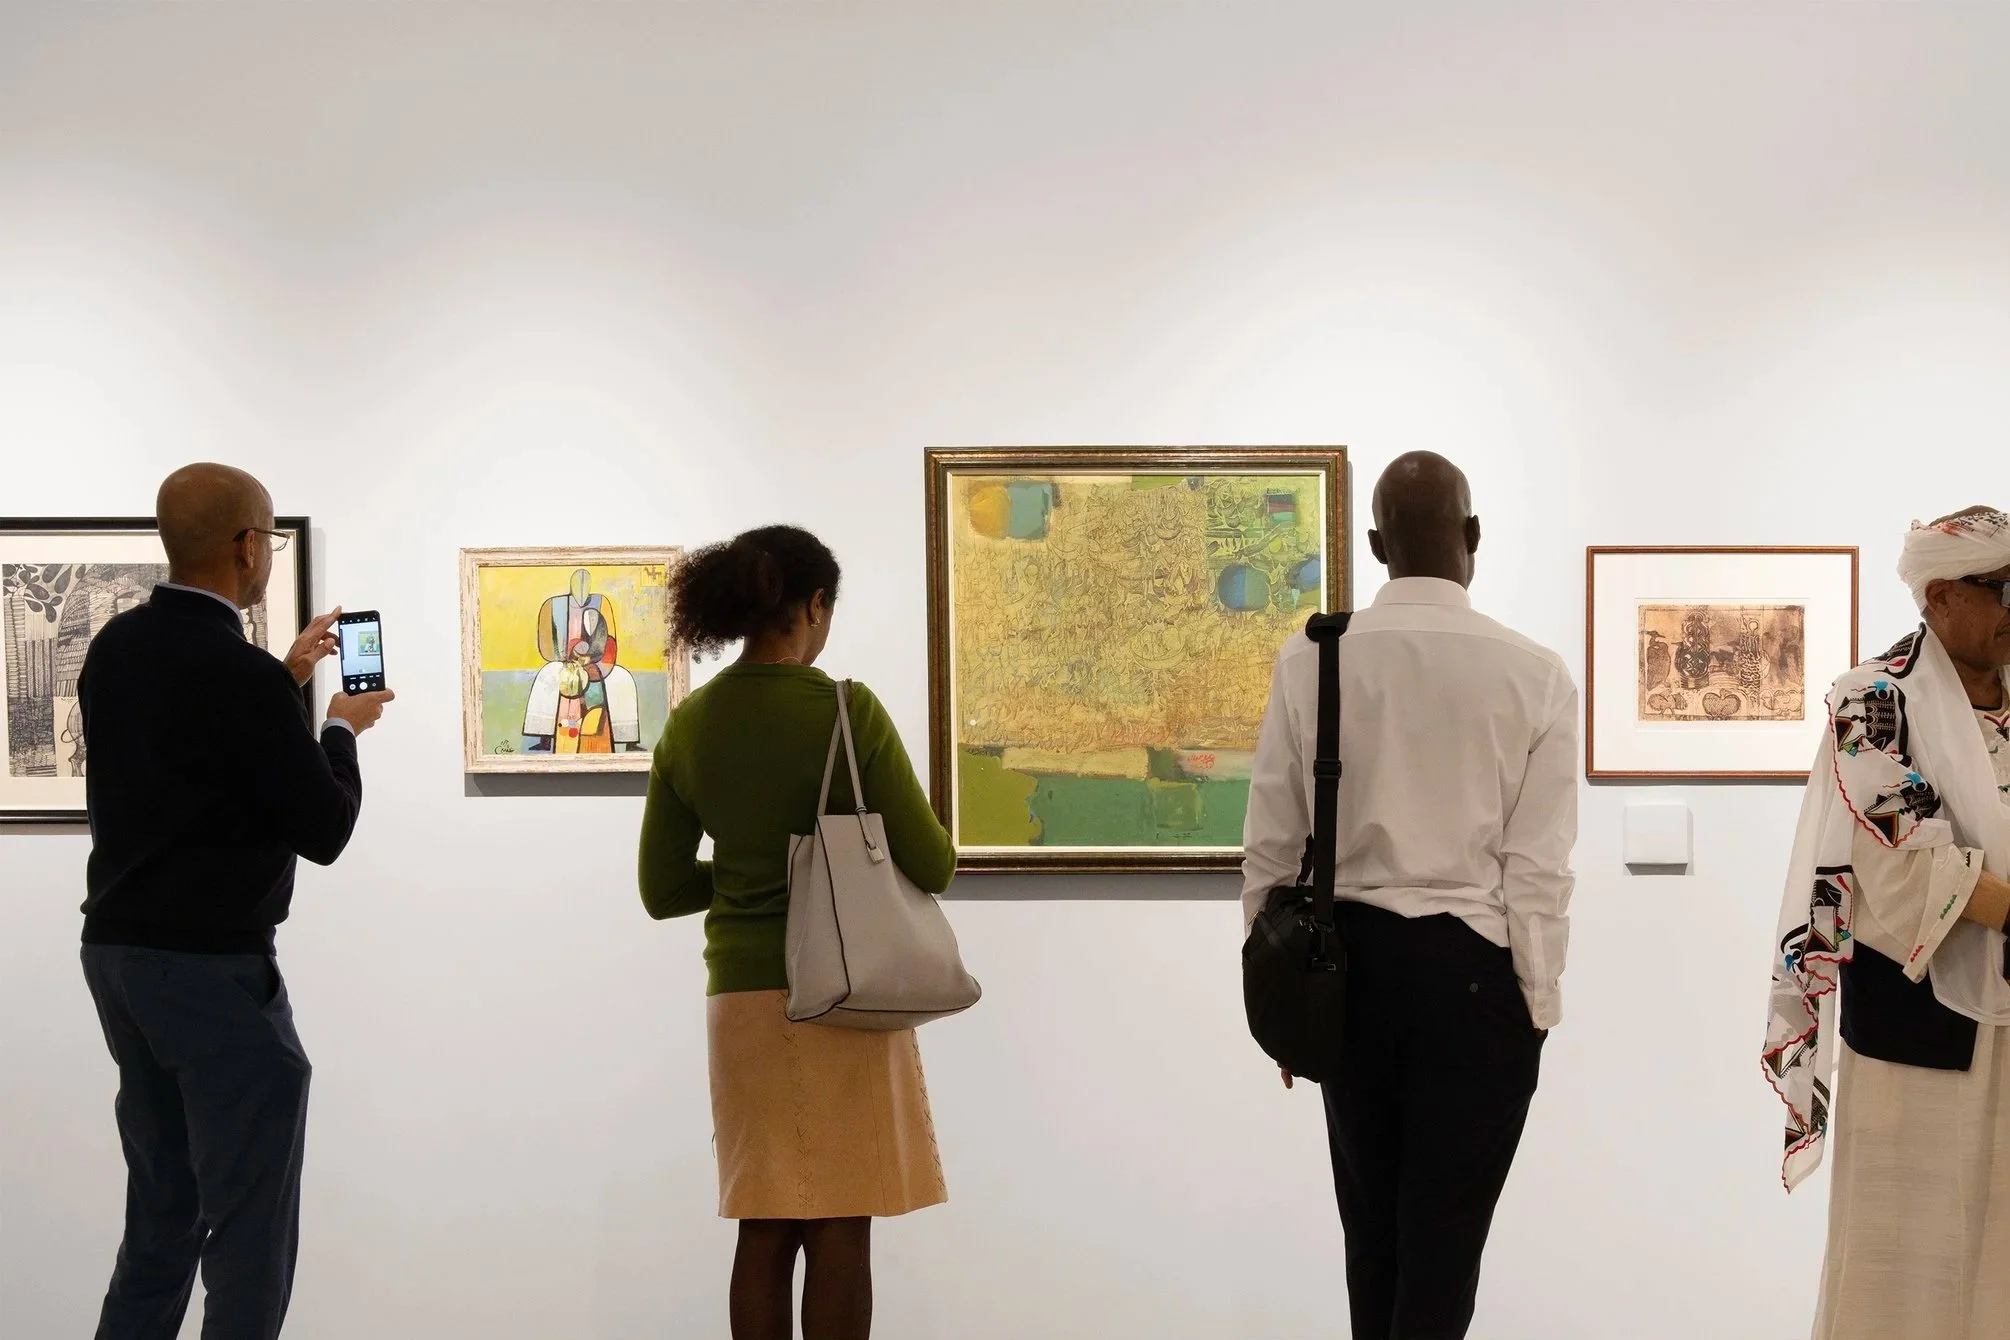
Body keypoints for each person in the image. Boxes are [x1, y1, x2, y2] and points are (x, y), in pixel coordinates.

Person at [1241, 451, 1578, 1340]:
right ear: (1473, 538)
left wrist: (1281, 1004)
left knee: (1372, 1238)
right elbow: (1538, 869)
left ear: (1376, 543)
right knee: (1446, 1245)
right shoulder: (1535, 673)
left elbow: (1271, 848)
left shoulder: (1313, 656)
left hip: (1348, 971)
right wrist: (1537, 1001)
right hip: (1477, 978)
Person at [76, 463, 394, 1340]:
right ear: (248, 546)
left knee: (162, 1213)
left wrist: (285, 677)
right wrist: (339, 728)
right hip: (211, 971)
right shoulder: (240, 676)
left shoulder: (116, 648)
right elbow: (323, 827)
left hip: (118, 958)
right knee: (249, 1235)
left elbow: (197, 761)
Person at [638, 525, 955, 1340]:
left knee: (765, 1221)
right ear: (814, 606)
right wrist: (821, 871)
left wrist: (749, 875)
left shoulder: (692, 724)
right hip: (844, 988)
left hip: (741, 999)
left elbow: (664, 887)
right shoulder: (847, 711)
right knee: (843, 1222)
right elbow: (933, 862)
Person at [1763, 507, 2010, 1340]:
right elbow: (1904, 863)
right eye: (2005, 589)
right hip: (1921, 1027)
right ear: (1940, 596)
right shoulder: (1872, 700)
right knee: (1903, 1261)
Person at [522, 567, 642, 754]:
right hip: (564, 661)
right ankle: (544, 736)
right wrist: (568, 659)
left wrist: (592, 661)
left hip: (598, 662)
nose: (581, 588)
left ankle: (628, 740)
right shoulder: (552, 605)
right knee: (547, 675)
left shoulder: (602, 603)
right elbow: (546, 646)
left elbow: (609, 641)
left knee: (623, 679)